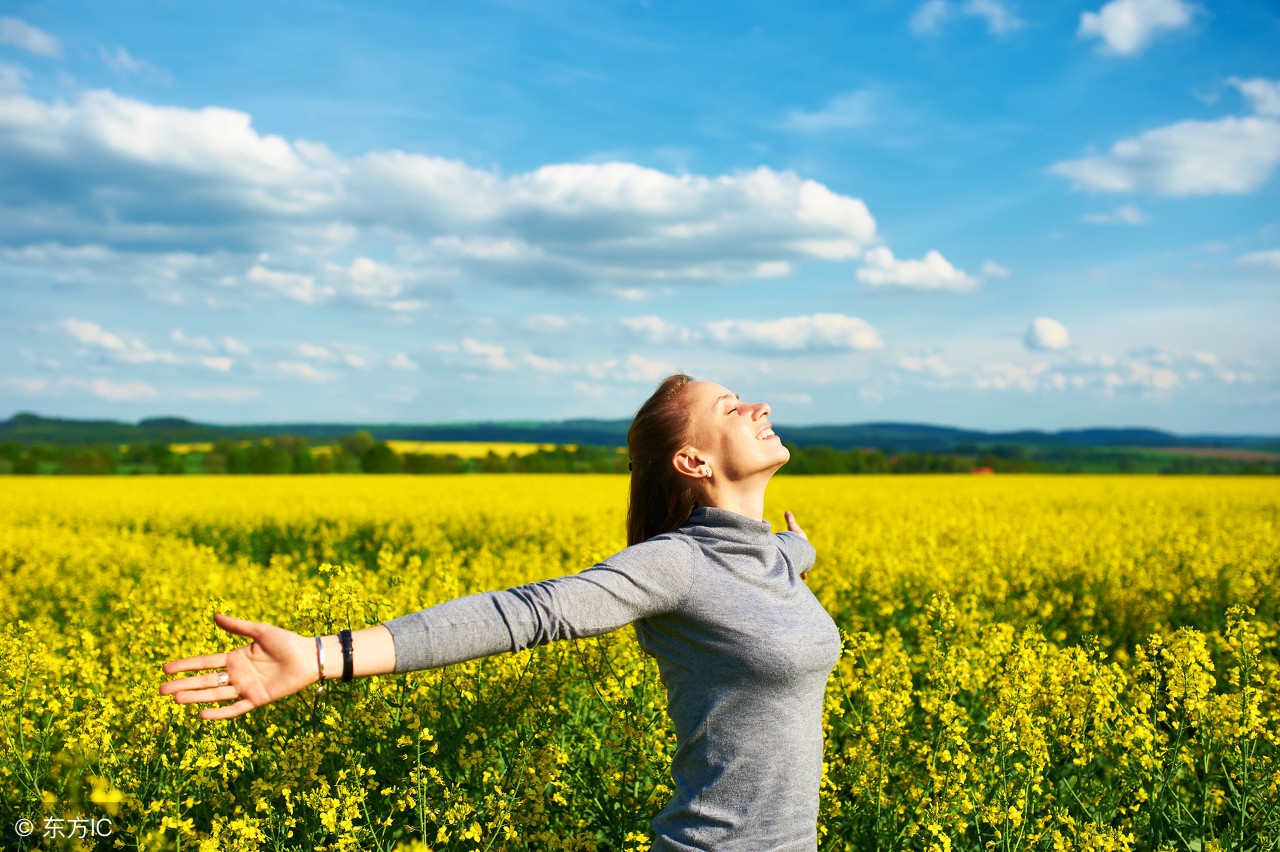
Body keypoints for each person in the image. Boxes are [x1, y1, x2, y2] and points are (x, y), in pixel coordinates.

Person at [159, 373, 842, 851]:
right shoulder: (675, 565)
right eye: (730, 407)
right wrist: (321, 656)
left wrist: (798, 545)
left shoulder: (774, 559)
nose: (758, 406)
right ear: (691, 458)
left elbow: (778, 562)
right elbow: (526, 613)